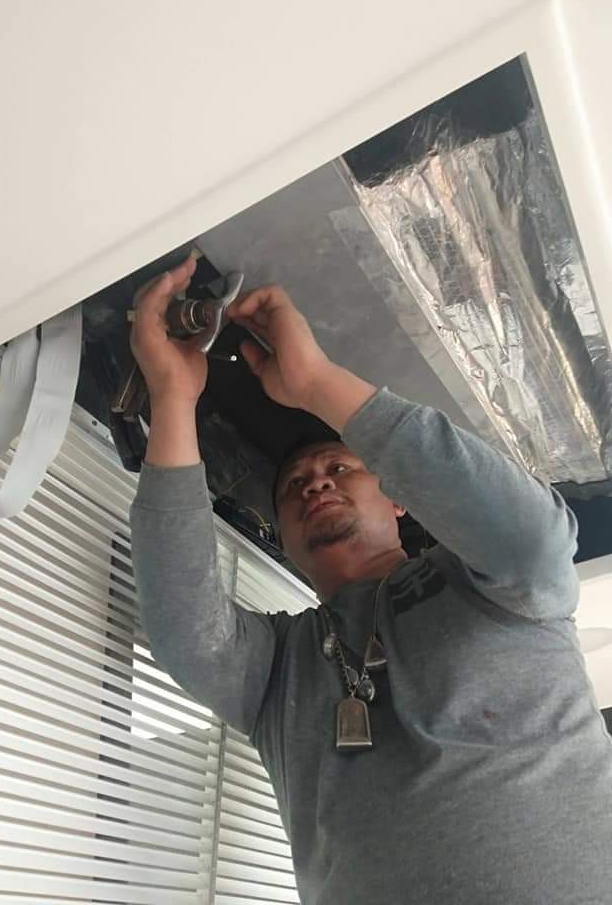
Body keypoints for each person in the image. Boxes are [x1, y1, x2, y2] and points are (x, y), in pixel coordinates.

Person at [129, 256, 612, 905]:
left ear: (400, 498)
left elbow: (536, 537)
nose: (314, 484)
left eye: (338, 467)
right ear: (281, 537)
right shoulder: (276, 669)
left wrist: (315, 382)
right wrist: (171, 396)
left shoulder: (492, 587)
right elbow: (184, 629)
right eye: (293, 485)